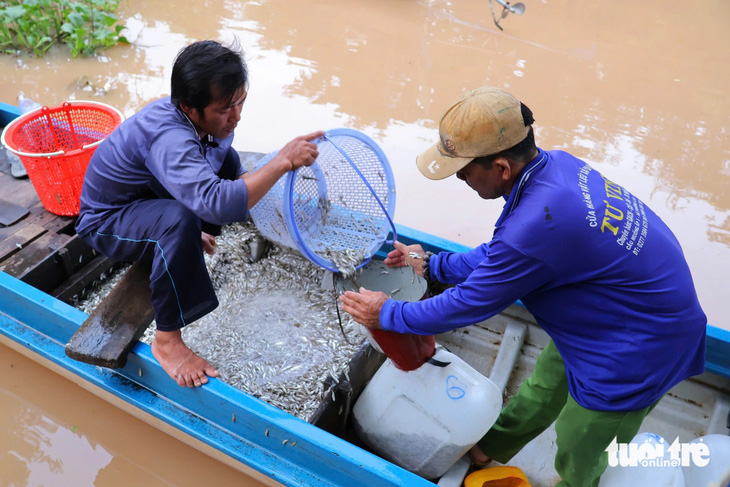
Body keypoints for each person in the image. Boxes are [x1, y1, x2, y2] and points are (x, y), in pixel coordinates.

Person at [339, 85, 707, 486]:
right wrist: (432, 265)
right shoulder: (556, 170)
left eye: (463, 171)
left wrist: (387, 313)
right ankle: (487, 450)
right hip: (612, 313)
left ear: (500, 168)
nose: (461, 179)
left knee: (580, 441)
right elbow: (502, 255)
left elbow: (468, 305)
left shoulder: (539, 222)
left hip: (640, 346)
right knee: (545, 384)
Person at [76, 40, 324, 388]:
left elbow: (220, 176)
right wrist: (281, 161)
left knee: (230, 162)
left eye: (240, 103)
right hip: (109, 220)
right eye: (225, 109)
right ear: (190, 108)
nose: (236, 116)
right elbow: (217, 202)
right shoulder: (169, 137)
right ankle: (167, 342)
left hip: (148, 196)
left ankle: (179, 236)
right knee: (179, 221)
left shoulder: (205, 122)